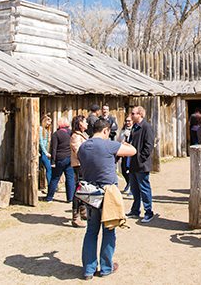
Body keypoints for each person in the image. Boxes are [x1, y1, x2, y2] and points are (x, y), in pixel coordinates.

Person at [78, 118, 136, 279]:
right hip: (108, 192)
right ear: (105, 131)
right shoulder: (108, 144)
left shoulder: (83, 147)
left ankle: (88, 270)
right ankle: (105, 267)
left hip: (90, 192)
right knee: (109, 230)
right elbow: (132, 151)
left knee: (91, 231)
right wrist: (120, 143)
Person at [125, 106, 155, 223]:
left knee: (144, 188)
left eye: (133, 114)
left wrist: (140, 159)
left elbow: (149, 146)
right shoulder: (134, 128)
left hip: (141, 165)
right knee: (135, 189)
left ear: (140, 115)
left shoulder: (146, 128)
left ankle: (148, 212)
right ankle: (135, 210)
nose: (131, 116)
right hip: (132, 164)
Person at [46, 116, 75, 203]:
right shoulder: (71, 133)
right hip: (70, 157)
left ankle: (49, 197)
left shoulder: (56, 134)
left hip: (60, 158)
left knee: (55, 178)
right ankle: (70, 198)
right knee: (70, 178)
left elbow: (53, 149)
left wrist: (53, 161)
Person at [70, 115, 89, 227]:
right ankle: (75, 217)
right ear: (80, 123)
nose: (86, 123)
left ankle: (83, 212)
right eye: (85, 121)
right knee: (79, 189)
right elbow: (79, 152)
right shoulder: (76, 137)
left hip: (84, 165)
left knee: (83, 188)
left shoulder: (83, 135)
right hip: (79, 165)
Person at [118, 116, 133, 194]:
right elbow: (119, 139)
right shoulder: (123, 130)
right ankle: (128, 182)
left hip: (130, 152)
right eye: (126, 121)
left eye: (129, 121)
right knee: (123, 170)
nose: (128, 122)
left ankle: (131, 187)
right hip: (123, 152)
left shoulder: (134, 130)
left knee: (129, 170)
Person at [39, 113, 52, 190]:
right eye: (47, 121)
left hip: (44, 152)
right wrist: (45, 152)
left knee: (48, 168)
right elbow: (40, 142)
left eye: (50, 122)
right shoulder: (40, 129)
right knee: (38, 168)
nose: (49, 123)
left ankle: (50, 186)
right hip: (41, 152)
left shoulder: (46, 130)